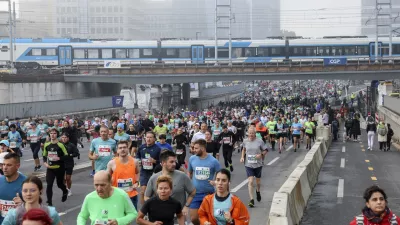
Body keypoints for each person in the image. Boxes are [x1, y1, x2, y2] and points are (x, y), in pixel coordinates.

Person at [145, 150, 196, 217]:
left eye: (175, 162)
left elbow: (193, 192)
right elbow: (146, 196)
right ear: (163, 163)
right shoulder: (154, 178)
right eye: (171, 162)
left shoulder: (182, 176)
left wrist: (186, 206)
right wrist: (153, 207)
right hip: (159, 216)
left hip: (178, 216)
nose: (174, 164)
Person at [188, 139, 221, 225]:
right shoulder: (192, 159)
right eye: (193, 148)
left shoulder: (214, 161)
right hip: (195, 193)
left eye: (196, 148)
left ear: (202, 148)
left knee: (209, 219)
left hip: (208, 194)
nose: (194, 150)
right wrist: (188, 184)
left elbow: (221, 175)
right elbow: (190, 172)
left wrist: (215, 182)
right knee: (193, 218)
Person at [107, 141, 139, 210]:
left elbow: (138, 173)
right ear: (117, 150)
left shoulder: (135, 162)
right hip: (116, 195)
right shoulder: (111, 163)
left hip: (131, 194)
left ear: (128, 149)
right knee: (117, 217)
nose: (122, 149)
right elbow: (107, 178)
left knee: (129, 217)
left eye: (124, 147)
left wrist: (137, 182)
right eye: (120, 148)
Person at [240, 127, 268, 208]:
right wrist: (242, 157)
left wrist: (261, 155)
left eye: (252, 133)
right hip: (248, 164)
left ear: (255, 134)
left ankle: (258, 191)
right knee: (251, 181)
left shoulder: (260, 141)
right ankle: (251, 199)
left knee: (258, 182)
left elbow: (266, 150)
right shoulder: (245, 141)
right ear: (248, 133)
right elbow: (244, 149)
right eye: (250, 133)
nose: (251, 135)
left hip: (258, 164)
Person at [42, 129, 68, 206]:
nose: (53, 135)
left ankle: (65, 191)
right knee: (49, 184)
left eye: (54, 133)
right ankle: (49, 201)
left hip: (59, 167)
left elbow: (66, 155)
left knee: (59, 184)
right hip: (50, 168)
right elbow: (44, 155)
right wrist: (45, 163)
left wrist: (59, 158)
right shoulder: (46, 144)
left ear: (57, 135)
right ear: (49, 135)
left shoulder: (60, 145)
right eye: (51, 133)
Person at [136, 131, 162, 206]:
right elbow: (137, 155)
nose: (148, 139)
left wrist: (155, 161)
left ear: (154, 139)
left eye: (151, 137)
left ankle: (154, 209)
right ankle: (143, 211)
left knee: (154, 192)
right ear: (145, 138)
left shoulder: (158, 149)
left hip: (154, 173)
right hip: (144, 172)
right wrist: (138, 160)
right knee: (142, 191)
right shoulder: (142, 147)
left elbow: (162, 162)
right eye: (147, 137)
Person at [0, 153, 26, 223]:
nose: (4, 168)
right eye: (3, 164)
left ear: (17, 166)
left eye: (9, 165)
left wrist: (24, 205)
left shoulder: (26, 183)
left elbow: (36, 207)